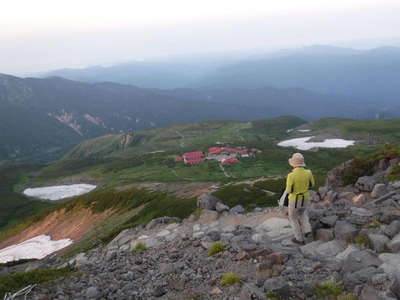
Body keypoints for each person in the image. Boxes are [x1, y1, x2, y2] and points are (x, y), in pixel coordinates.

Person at [285, 153, 314, 245]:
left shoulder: (291, 175)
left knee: (293, 218)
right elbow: (312, 185)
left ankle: (299, 239)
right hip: (305, 198)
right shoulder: (308, 172)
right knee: (302, 214)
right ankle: (307, 230)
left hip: (295, 199)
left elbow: (289, 190)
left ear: (293, 164)